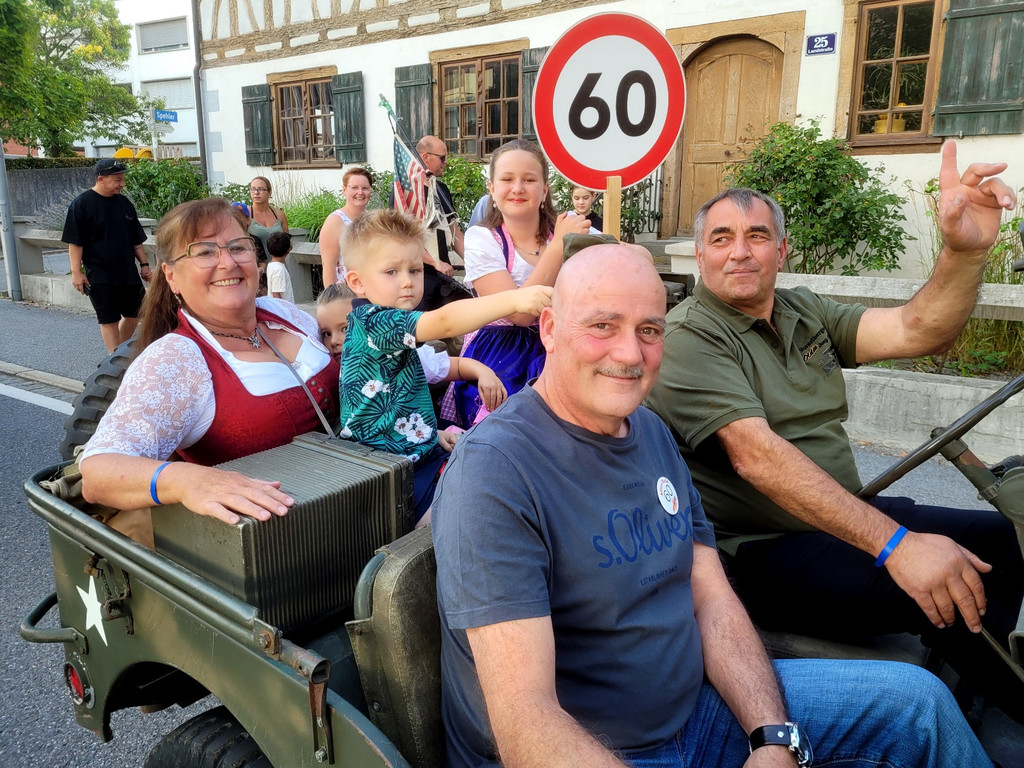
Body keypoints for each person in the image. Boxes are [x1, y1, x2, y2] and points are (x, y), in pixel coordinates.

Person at [432, 242, 993, 768]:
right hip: (600, 749)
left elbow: (709, 593)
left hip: (697, 712)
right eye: (603, 326)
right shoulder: (496, 472)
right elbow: (526, 724)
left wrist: (774, 737)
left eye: (649, 329)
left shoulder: (648, 431)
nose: (630, 354)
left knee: (920, 705)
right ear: (550, 330)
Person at [644, 140, 1024, 721]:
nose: (739, 253)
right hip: (761, 554)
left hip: (844, 516)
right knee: (936, 586)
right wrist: (897, 545)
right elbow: (757, 458)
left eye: (757, 236)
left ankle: (984, 686)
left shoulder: (803, 310)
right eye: (721, 238)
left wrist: (963, 254)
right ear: (700, 254)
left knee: (1003, 540)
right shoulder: (690, 338)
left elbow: (917, 330)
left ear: (782, 249)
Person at [79, 197, 339, 529]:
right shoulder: (175, 359)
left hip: (352, 498)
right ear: (171, 277)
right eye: (204, 252)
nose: (228, 262)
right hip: (271, 541)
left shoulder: (286, 315)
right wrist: (189, 481)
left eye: (238, 247)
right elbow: (98, 474)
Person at [339, 208, 550, 525]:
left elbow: (396, 395)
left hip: (414, 453)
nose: (408, 282)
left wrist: (429, 433)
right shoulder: (375, 323)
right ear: (357, 281)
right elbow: (445, 321)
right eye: (391, 272)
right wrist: (514, 301)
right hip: (387, 472)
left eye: (415, 270)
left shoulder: (391, 330)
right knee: (461, 526)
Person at [441, 139, 591, 426]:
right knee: (512, 432)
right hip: (501, 354)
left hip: (559, 345)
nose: (518, 188)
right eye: (507, 179)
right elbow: (520, 314)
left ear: (545, 189)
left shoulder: (562, 230)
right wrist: (560, 245)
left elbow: (624, 256)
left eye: (529, 179)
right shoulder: (483, 238)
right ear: (492, 190)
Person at [317, 276, 506, 415]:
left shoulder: (398, 352)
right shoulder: (328, 373)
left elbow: (454, 364)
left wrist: (483, 372)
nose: (334, 341)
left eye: (345, 328)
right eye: (326, 333)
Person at [61, 158, 151, 353]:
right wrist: (76, 272)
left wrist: (144, 265)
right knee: (109, 319)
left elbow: (136, 239)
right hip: (99, 274)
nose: (122, 184)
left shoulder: (124, 203)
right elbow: (75, 242)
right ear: (101, 179)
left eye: (123, 179)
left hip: (128, 272)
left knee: (136, 313)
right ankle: (115, 358)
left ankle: (119, 353)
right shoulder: (82, 204)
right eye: (118, 180)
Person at [416, 135, 463, 276]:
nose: (446, 162)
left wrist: (472, 260)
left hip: (443, 275)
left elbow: (453, 230)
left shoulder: (441, 189)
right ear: (425, 158)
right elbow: (402, 238)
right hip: (418, 276)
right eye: (442, 158)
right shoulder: (406, 192)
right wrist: (434, 262)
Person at [319, 167, 373, 287]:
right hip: (347, 291)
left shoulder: (372, 219)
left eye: (365, 188)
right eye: (354, 187)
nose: (360, 192)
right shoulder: (335, 221)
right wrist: (332, 300)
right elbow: (329, 264)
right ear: (344, 190)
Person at [247, 176, 289, 256]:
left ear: (269, 192)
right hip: (256, 266)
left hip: (277, 265)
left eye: (261, 189)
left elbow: (287, 243)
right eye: (253, 189)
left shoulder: (280, 215)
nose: (256, 192)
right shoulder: (245, 214)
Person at [266, 231, 295, 304]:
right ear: (288, 250)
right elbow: (276, 294)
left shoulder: (271, 265)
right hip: (284, 311)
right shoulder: (278, 269)